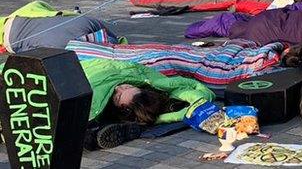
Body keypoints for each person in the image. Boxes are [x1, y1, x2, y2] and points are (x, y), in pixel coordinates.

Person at [81, 58, 214, 150]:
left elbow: (202, 95)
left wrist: (181, 113)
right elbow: (201, 94)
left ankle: (92, 137)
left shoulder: (149, 87)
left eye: (119, 95)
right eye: (125, 88)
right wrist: (176, 115)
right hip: (99, 71)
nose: (118, 88)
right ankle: (93, 136)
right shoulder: (148, 89)